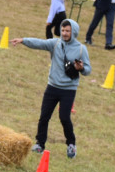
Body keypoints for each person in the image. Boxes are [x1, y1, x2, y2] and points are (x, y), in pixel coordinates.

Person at [11, 19, 91, 159]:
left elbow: (88, 70)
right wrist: (23, 40)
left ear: (74, 32)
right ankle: (40, 144)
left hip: (68, 89)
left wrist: (82, 68)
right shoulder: (55, 44)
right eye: (63, 30)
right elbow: (39, 43)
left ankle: (71, 144)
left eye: (68, 31)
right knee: (44, 117)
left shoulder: (80, 49)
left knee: (64, 117)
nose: (64, 33)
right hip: (52, 86)